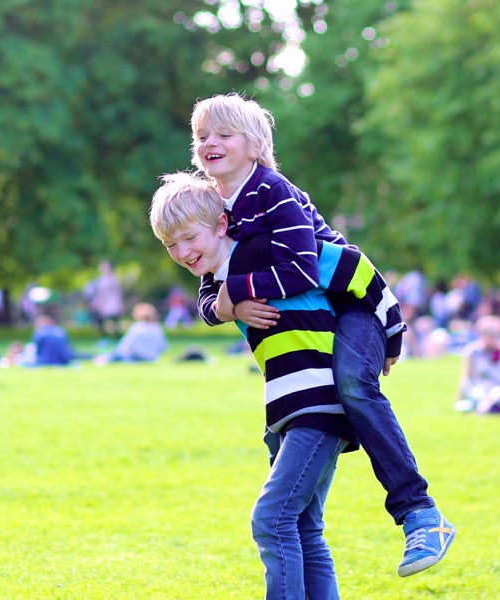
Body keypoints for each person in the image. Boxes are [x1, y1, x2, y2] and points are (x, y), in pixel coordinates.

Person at [188, 93, 454, 577]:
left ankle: (421, 513)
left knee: (352, 383)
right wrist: (223, 305)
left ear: (255, 145)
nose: (210, 142)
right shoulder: (212, 206)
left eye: (223, 134)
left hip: (354, 300)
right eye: (202, 135)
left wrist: (237, 293)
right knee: (303, 521)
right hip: (321, 319)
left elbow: (301, 269)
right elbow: (209, 287)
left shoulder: (273, 190)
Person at [150, 172, 366, 598]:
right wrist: (227, 305)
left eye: (189, 238)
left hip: (319, 401)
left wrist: (390, 327)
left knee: (272, 518)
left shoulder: (263, 250)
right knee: (304, 526)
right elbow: (207, 305)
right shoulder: (215, 279)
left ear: (221, 225)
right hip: (286, 408)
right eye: (170, 245)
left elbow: (343, 262)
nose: (182, 252)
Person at [456, 315, 500, 414]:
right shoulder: (473, 351)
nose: (492, 338)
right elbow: (467, 378)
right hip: (481, 389)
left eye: (495, 334)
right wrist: (459, 399)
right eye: (489, 334)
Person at [95, 302, 167, 364]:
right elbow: (163, 347)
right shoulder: (157, 329)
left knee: (118, 355)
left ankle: (103, 359)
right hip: (152, 358)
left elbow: (125, 346)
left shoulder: (136, 327)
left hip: (137, 357)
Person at [89, 260, 124, 339]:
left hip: (112, 303)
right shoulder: (100, 280)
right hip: (102, 304)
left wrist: (120, 304)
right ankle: (104, 337)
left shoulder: (114, 279)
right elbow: (99, 293)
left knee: (115, 321)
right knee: (100, 321)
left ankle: (117, 338)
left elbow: (117, 293)